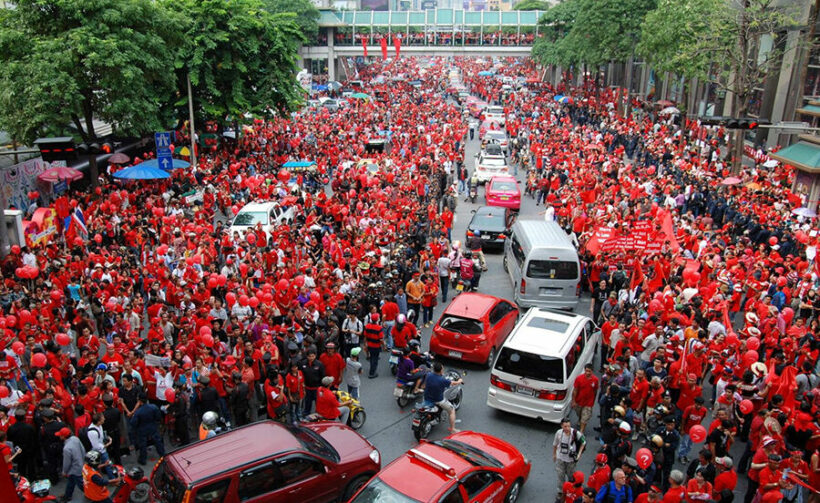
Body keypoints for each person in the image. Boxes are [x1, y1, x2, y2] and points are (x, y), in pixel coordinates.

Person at [422, 362, 463, 433]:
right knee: (452, 410)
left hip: (426, 397)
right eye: (442, 369)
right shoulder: (442, 380)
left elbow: (424, 385)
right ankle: (452, 429)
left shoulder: (428, 375)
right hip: (438, 400)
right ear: (441, 370)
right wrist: (460, 380)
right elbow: (453, 383)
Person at [553, 418, 586, 500]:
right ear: (561, 426)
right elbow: (555, 444)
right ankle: (560, 492)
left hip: (571, 460)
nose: (567, 428)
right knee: (560, 475)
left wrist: (579, 454)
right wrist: (554, 454)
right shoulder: (559, 433)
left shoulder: (575, 433)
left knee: (571, 477)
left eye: (568, 426)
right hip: (560, 458)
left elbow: (583, 442)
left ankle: (571, 491)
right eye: (565, 426)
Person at [130, 398, 165, 465]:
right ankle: (163, 454)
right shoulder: (153, 407)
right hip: (152, 426)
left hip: (142, 429)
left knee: (142, 444)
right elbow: (158, 417)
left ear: (139, 402)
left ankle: (143, 459)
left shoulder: (138, 412)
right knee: (157, 441)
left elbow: (133, 423)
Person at [58, 426, 85, 503]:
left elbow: (67, 462)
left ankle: (93, 495)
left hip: (75, 470)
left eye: (60, 435)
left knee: (82, 485)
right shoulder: (75, 438)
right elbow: (83, 450)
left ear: (63, 436)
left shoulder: (66, 448)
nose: (59, 436)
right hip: (80, 464)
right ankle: (67, 495)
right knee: (71, 482)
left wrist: (64, 472)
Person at [572, 363, 599, 432]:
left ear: (592, 371)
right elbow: (575, 390)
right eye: (586, 371)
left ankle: (581, 432)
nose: (587, 373)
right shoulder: (579, 378)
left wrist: (593, 401)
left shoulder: (595, 380)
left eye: (589, 371)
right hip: (579, 401)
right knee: (579, 413)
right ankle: (580, 419)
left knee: (585, 418)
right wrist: (573, 401)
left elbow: (595, 391)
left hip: (588, 403)